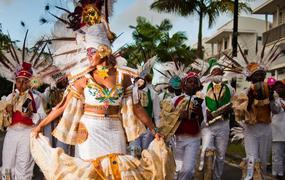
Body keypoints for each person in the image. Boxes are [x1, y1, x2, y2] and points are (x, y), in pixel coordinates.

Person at [30, 1, 175, 179]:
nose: (89, 56)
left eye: (92, 51)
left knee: (117, 173)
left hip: (115, 130)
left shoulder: (124, 77)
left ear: (104, 49)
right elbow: (62, 107)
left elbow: (136, 108)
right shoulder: (83, 79)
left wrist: (154, 130)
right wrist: (40, 126)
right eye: (87, 52)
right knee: (92, 173)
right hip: (90, 131)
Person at [1, 62, 46, 180]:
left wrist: (31, 115)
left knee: (24, 164)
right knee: (7, 163)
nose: (21, 84)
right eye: (18, 81)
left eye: (24, 81)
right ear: (15, 81)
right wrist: (6, 111)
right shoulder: (9, 97)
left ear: (29, 83)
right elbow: (4, 121)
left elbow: (43, 117)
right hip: (11, 133)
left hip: (27, 133)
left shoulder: (35, 98)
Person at [199, 58, 234, 180]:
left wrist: (229, 110)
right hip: (208, 126)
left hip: (223, 125)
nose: (217, 74)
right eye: (215, 72)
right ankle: (205, 175)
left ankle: (217, 177)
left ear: (222, 74)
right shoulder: (204, 87)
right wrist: (206, 112)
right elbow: (201, 104)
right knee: (206, 151)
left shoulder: (230, 89)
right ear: (211, 74)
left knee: (220, 154)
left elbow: (233, 104)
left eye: (219, 72)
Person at [172, 72, 204, 180]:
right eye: (190, 82)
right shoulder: (175, 100)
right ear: (184, 84)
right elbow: (168, 119)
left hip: (193, 139)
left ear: (198, 86)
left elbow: (204, 123)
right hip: (177, 139)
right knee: (177, 169)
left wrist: (200, 114)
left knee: (188, 169)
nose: (193, 84)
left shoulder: (201, 102)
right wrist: (179, 115)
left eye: (195, 82)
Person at [128, 75, 161, 157]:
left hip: (148, 129)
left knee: (146, 154)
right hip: (134, 128)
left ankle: (145, 169)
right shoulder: (130, 93)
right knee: (135, 154)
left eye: (141, 80)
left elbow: (157, 114)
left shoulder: (152, 94)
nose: (139, 82)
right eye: (137, 80)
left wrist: (157, 130)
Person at [270, 79, 285, 179]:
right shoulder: (274, 100)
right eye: (276, 87)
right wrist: (272, 99)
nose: (279, 89)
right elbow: (275, 110)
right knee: (277, 155)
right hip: (277, 133)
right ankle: (277, 174)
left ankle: (282, 172)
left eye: (281, 87)